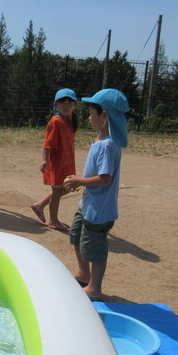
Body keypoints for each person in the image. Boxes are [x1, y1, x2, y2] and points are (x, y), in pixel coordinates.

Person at [63, 89, 129, 301]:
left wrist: (79, 182)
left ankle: (95, 288)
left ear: (105, 115)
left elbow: (104, 178)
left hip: (100, 210)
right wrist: (79, 180)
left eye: (92, 112)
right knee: (76, 235)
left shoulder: (109, 145)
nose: (89, 117)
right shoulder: (101, 139)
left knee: (95, 247)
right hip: (88, 204)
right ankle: (84, 273)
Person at [30, 88, 78, 231]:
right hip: (56, 163)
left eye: (70, 102)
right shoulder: (55, 121)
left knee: (67, 188)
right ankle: (53, 221)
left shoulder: (71, 120)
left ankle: (39, 205)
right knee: (57, 191)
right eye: (62, 101)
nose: (66, 104)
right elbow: (47, 144)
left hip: (67, 162)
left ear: (75, 105)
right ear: (56, 105)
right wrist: (44, 160)